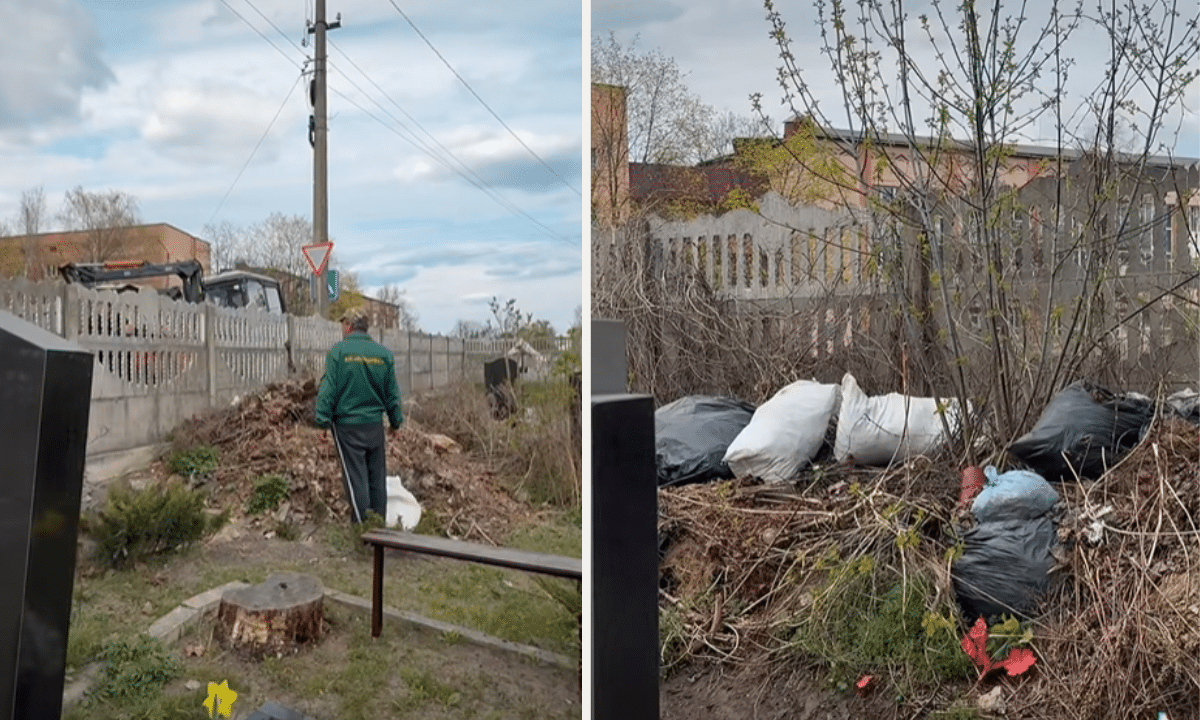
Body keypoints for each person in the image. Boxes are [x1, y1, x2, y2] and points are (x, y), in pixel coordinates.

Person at [314, 307, 403, 524]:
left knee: (356, 480)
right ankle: (379, 526)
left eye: (343, 324)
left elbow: (328, 388)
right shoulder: (383, 354)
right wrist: (395, 422)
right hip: (374, 425)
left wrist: (322, 421)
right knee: (376, 478)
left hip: (347, 427)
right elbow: (392, 393)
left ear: (349, 326)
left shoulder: (339, 352)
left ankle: (362, 530)